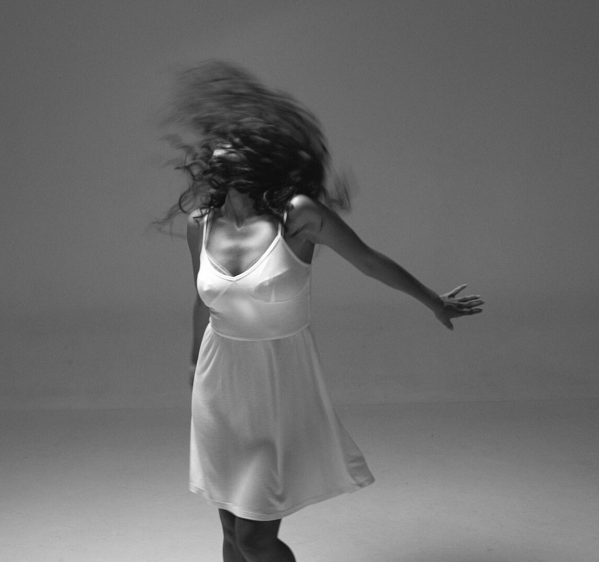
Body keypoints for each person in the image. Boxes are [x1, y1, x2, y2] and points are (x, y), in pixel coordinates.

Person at [159, 61, 483, 562]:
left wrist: (432, 300)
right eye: (219, 142)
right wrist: (191, 363)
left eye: (235, 142)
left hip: (278, 385)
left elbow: (369, 261)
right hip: (219, 386)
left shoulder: (298, 216)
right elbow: (203, 301)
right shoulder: (199, 224)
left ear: (259, 156)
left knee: (255, 538)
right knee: (229, 530)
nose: (221, 148)